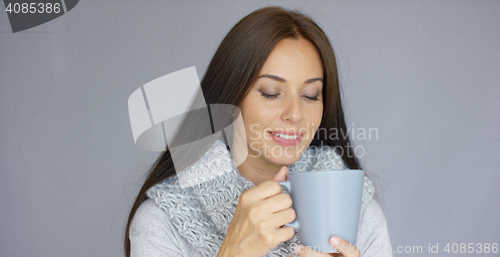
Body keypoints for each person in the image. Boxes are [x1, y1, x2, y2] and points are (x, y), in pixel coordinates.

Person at [125, 6, 392, 257]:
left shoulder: (358, 212)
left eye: (311, 95)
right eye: (271, 93)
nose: (295, 114)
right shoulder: (163, 221)